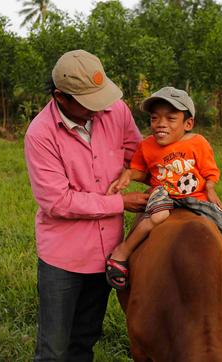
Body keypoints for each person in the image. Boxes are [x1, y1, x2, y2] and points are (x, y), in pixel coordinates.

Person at [24, 49, 149, 362]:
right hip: (63, 259)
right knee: (53, 349)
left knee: (84, 340)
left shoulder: (115, 111)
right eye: (89, 101)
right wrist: (120, 202)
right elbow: (57, 201)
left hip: (107, 251)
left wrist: (183, 164)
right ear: (60, 97)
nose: (100, 107)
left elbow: (138, 158)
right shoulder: (40, 134)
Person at [104, 86, 222, 296]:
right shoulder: (147, 145)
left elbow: (209, 170)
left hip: (195, 195)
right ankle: (123, 251)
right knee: (157, 216)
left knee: (220, 224)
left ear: (188, 123)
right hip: (164, 191)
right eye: (155, 118)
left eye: (170, 118)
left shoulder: (198, 143)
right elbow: (140, 169)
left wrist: (210, 189)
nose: (160, 124)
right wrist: (128, 175)